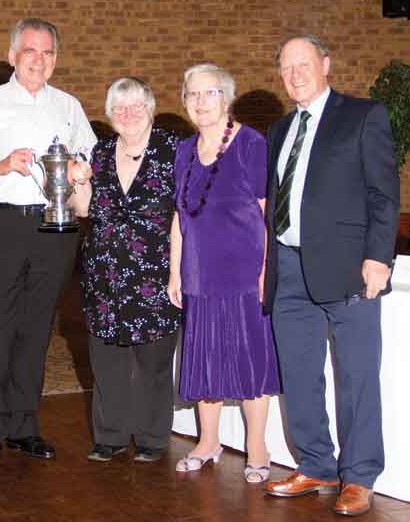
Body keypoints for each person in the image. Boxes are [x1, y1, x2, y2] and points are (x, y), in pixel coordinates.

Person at [263, 34, 399, 516]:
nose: (294, 74)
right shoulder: (280, 129)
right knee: (298, 374)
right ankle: (316, 463)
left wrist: (379, 257)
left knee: (356, 375)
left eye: (303, 64)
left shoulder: (363, 116)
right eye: (286, 67)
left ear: (325, 64)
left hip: (349, 268)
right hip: (289, 268)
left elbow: (383, 193)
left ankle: (359, 475)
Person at [0, 18, 96, 465]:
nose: (39, 60)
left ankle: (24, 426)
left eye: (48, 52)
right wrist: (2, 164)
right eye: (31, 51)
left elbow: (89, 159)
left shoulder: (69, 106)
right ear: (13, 56)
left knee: (37, 327)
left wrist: (81, 170)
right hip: (4, 226)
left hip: (56, 228)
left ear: (56, 58)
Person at [168, 64, 280, 482]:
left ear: (227, 98)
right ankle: (208, 441)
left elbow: (267, 213)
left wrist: (266, 270)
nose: (200, 101)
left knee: (251, 359)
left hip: (244, 273)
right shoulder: (184, 150)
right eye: (192, 94)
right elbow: (180, 216)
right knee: (205, 357)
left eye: (210, 93)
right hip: (199, 272)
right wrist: (176, 271)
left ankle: (257, 446)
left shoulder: (251, 144)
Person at [68, 77, 180, 463]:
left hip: (156, 272)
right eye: (119, 107)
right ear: (109, 114)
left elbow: (184, 214)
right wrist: (78, 182)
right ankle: (110, 435)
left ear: (150, 108)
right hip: (105, 272)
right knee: (107, 360)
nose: (127, 114)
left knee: (154, 361)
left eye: (135, 106)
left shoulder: (172, 150)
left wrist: (179, 272)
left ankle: (152, 437)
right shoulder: (99, 153)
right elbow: (84, 209)